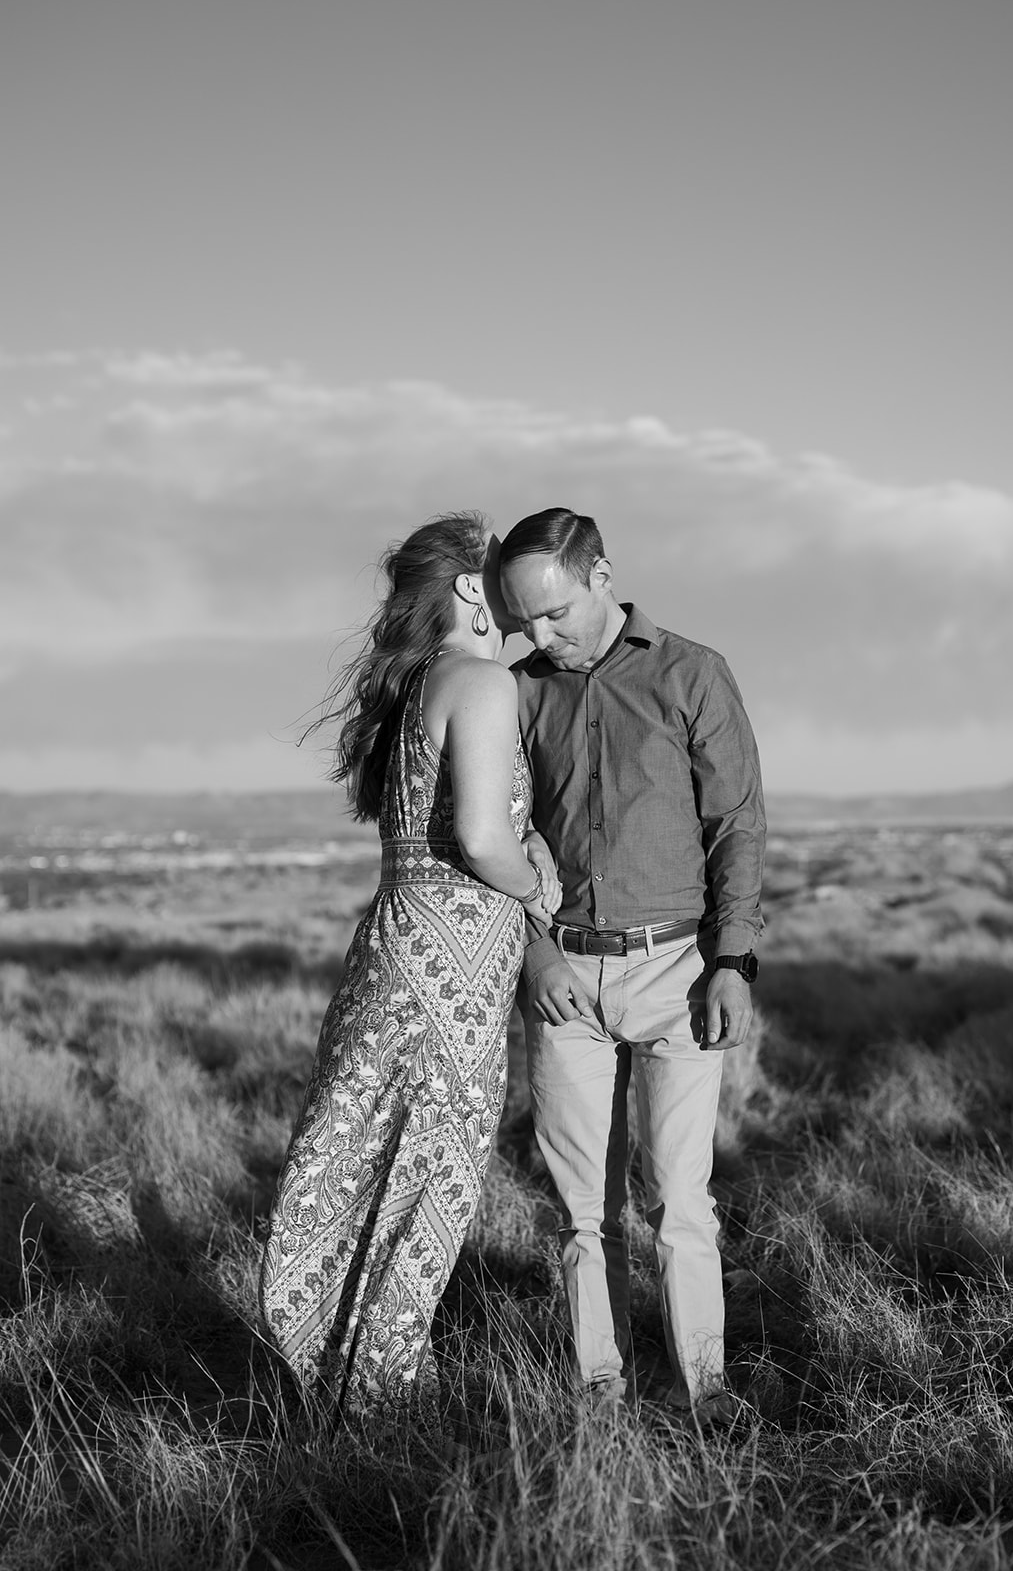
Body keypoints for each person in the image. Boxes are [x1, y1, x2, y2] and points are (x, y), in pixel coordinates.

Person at [259, 511, 560, 1430]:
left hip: (396, 950)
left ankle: (341, 1380)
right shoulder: (478, 681)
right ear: (472, 589)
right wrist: (539, 882)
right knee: (428, 1174)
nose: (516, 593)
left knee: (367, 1162)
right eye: (502, 574)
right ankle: (378, 1403)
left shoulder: (419, 684)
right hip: (450, 976)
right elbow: (478, 836)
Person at [498, 508, 765, 1429]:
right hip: (564, 978)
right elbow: (491, 838)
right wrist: (532, 950)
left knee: (680, 1202)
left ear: (602, 575)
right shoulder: (519, 691)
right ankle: (599, 1396)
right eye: (522, 620)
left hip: (679, 974)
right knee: (583, 1213)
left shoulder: (693, 672)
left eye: (555, 613)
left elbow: (736, 826)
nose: (540, 636)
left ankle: (707, 1392)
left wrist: (731, 961)